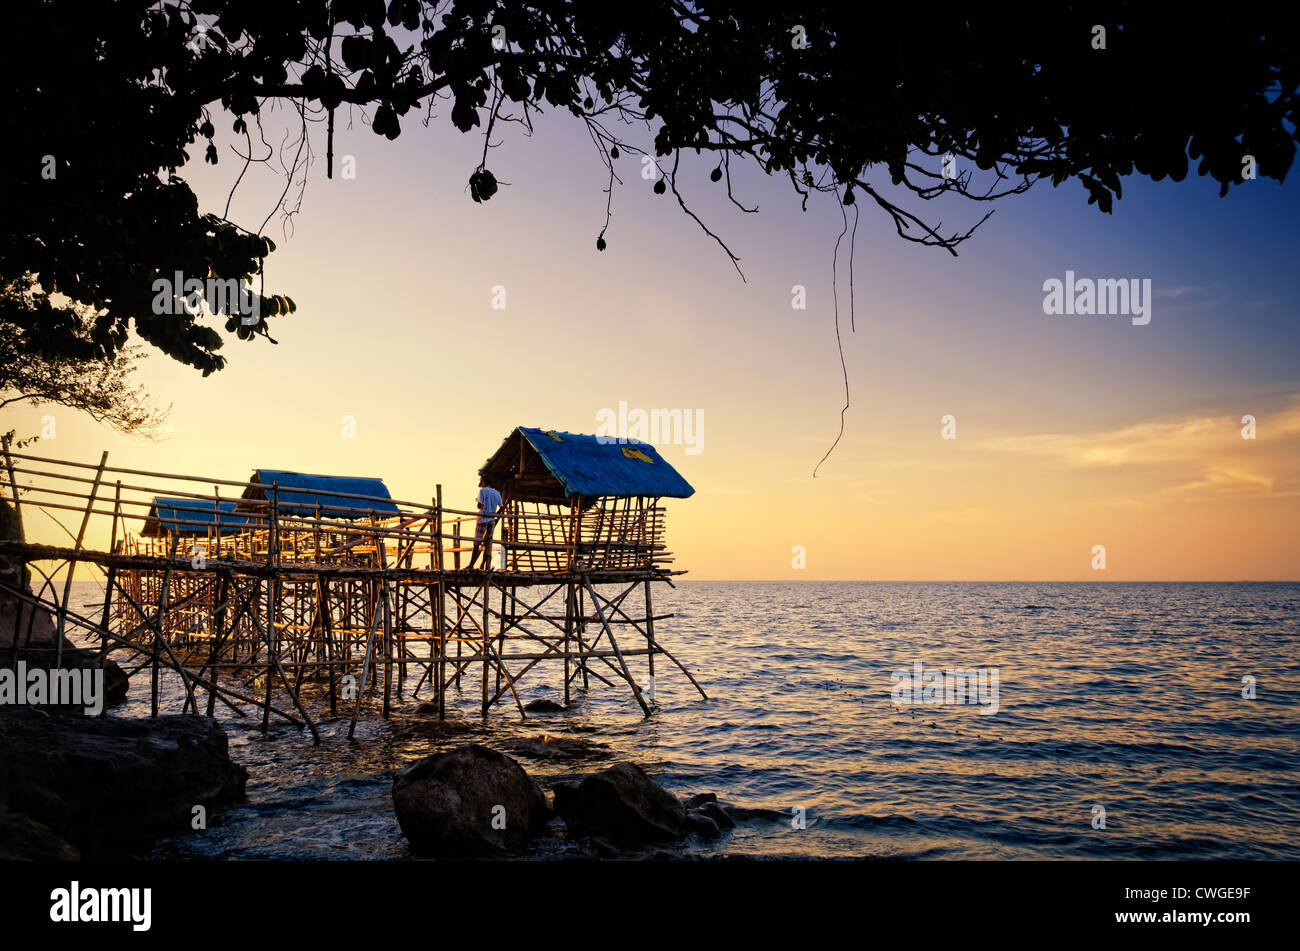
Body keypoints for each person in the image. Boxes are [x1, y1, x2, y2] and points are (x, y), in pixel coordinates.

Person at [466, 476, 503, 570]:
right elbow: (501, 508)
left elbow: (479, 506)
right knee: (488, 543)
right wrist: (495, 514)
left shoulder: (482, 491)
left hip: (482, 519)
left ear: (484, 483)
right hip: (491, 520)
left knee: (477, 543)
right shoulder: (497, 493)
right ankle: (483, 565)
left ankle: (471, 565)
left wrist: (480, 504)